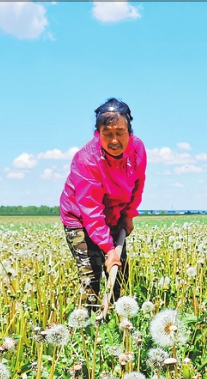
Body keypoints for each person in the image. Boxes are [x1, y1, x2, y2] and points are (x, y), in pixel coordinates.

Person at [60, 98, 147, 310]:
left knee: (118, 275)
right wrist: (108, 250)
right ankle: (86, 330)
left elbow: (138, 183)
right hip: (80, 218)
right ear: (98, 133)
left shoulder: (137, 148)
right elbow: (91, 211)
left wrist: (129, 214)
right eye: (107, 134)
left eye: (120, 132)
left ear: (129, 131)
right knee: (91, 281)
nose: (114, 140)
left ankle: (117, 325)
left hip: (114, 215)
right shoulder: (86, 159)